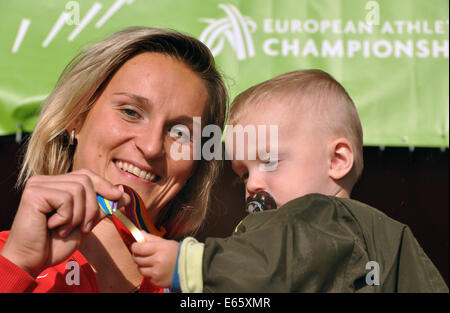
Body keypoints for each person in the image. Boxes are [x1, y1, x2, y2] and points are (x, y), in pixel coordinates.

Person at [129, 69, 449, 292]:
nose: (253, 183)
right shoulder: (377, 237)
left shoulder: (324, 217)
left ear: (337, 160)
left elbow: (274, 266)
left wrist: (187, 264)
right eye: (243, 173)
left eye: (269, 160)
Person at [0, 26, 227, 293]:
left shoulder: (212, 286)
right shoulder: (10, 259)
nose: (152, 146)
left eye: (180, 132)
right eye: (131, 112)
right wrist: (17, 265)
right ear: (77, 117)